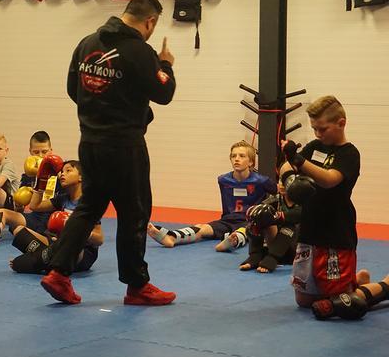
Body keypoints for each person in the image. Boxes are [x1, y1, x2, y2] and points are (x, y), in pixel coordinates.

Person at [38, 0, 177, 305]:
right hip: (125, 146)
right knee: (134, 214)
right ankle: (137, 286)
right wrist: (166, 64)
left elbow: (73, 89)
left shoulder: (87, 43)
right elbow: (164, 92)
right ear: (150, 22)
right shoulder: (140, 51)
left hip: (90, 142)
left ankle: (58, 273)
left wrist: (100, 112)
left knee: (89, 207)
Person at [280, 96, 362, 310]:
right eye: (314, 128)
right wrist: (289, 181)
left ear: (341, 123)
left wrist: (298, 160)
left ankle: (367, 287)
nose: (317, 134)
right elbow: (286, 167)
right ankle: (355, 282)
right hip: (309, 230)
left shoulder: (349, 153)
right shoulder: (315, 146)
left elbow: (329, 179)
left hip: (335, 232)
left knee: (339, 301)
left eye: (323, 129)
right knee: (304, 301)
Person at [148, 140, 276, 252]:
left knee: (243, 231)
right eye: (233, 156)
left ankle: (232, 241)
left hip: (250, 222)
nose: (236, 159)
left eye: (242, 156)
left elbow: (278, 194)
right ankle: (172, 237)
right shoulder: (223, 180)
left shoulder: (262, 181)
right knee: (202, 228)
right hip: (227, 221)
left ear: (251, 162)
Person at [237, 170, 303, 273]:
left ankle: (272, 258)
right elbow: (257, 215)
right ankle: (255, 256)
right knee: (260, 215)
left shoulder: (304, 202)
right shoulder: (275, 200)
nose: (282, 185)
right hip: (276, 247)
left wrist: (278, 217)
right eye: (280, 181)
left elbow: (298, 216)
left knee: (289, 225)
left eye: (286, 182)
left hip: (297, 250)